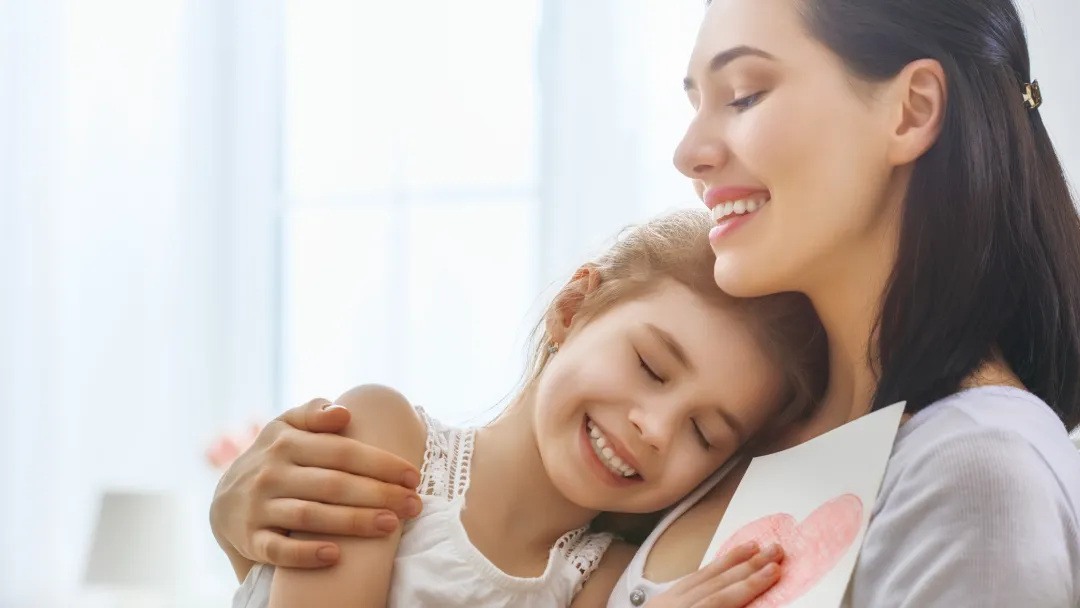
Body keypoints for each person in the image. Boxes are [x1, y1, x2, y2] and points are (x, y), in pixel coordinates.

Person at [213, 0, 1080, 605]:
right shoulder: (774, 426)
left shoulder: (977, 468)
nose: (689, 151)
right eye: (695, 101)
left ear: (910, 110)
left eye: (745, 94)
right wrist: (246, 534)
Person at [229, 210, 829, 607]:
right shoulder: (383, 436)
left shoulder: (606, 583)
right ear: (572, 308)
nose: (654, 428)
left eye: (703, 432)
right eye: (650, 366)